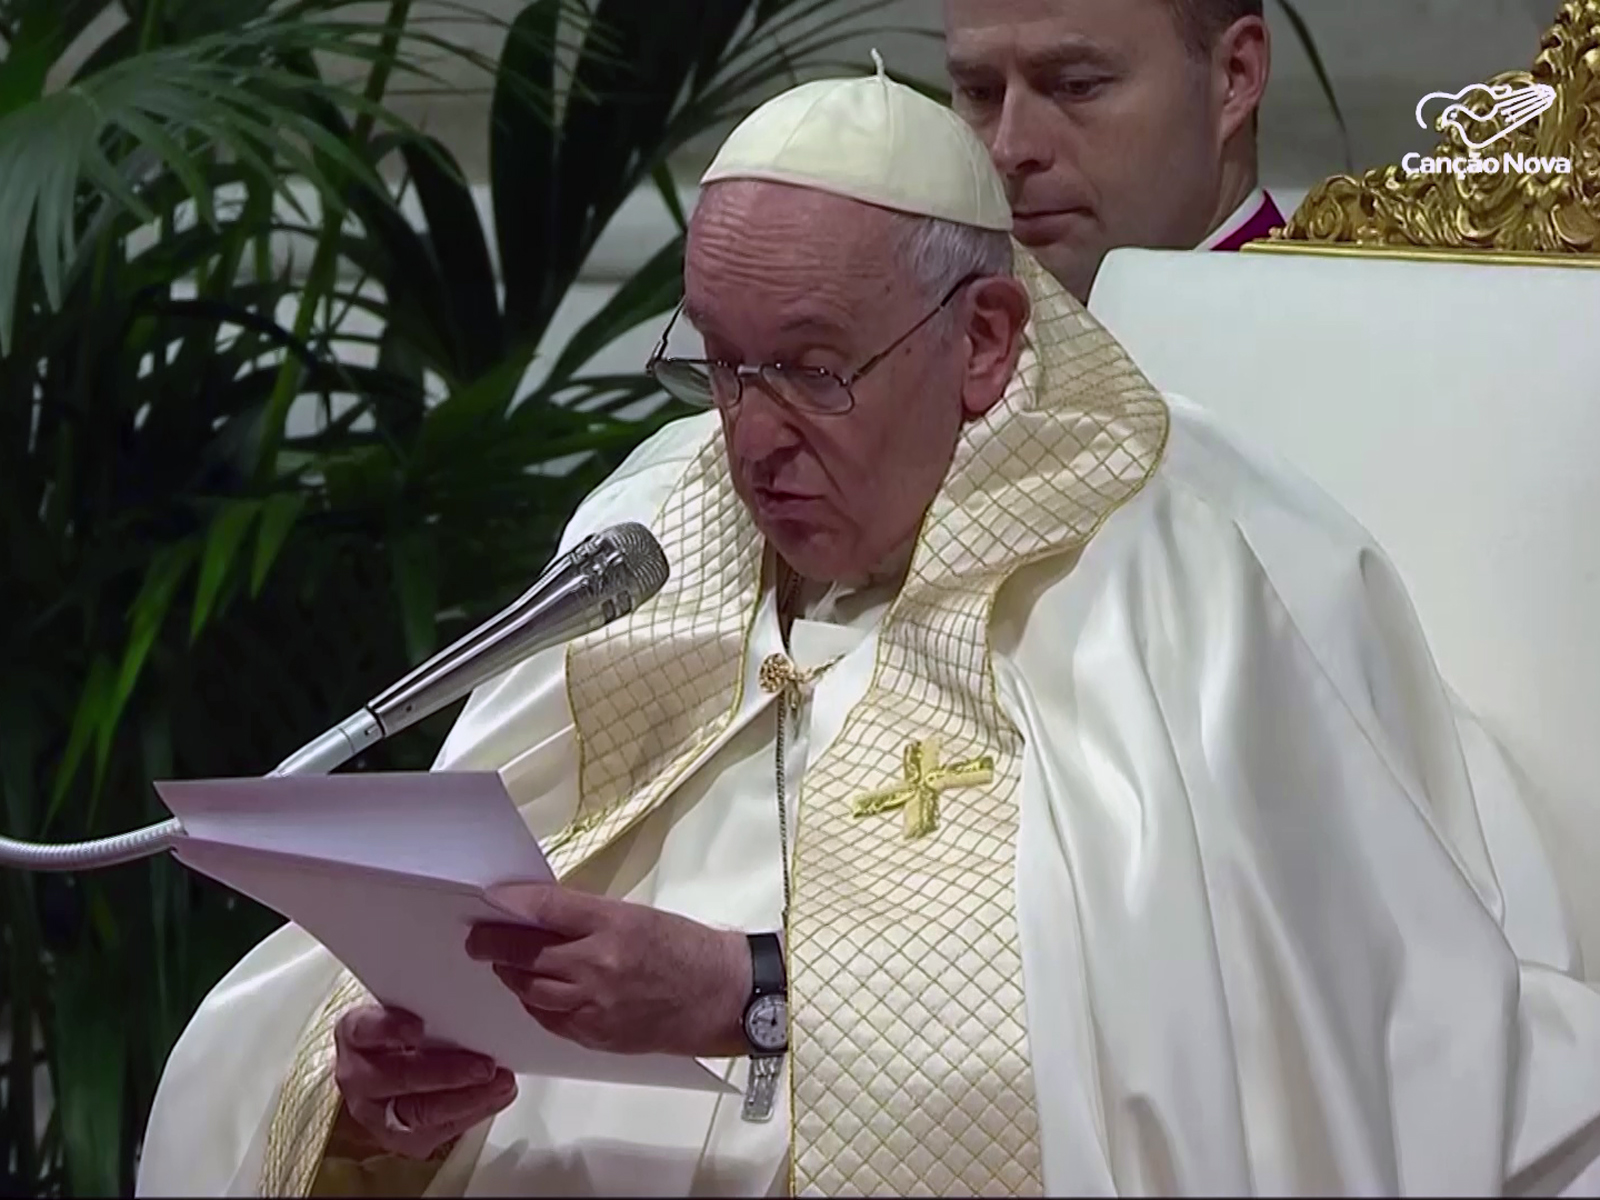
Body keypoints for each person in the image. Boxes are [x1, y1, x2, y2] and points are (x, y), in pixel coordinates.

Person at [136, 60, 1600, 1198]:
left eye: (815, 373)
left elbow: (1203, 1065)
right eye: (721, 368)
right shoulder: (660, 523)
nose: (752, 439)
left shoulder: (1171, 564)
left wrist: (751, 998)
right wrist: (384, 1117)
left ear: (981, 343)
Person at [944, 0, 1284, 301]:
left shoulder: (1318, 350)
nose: (1009, 149)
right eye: (979, 93)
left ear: (1234, 76)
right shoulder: (926, 336)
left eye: (1076, 86)